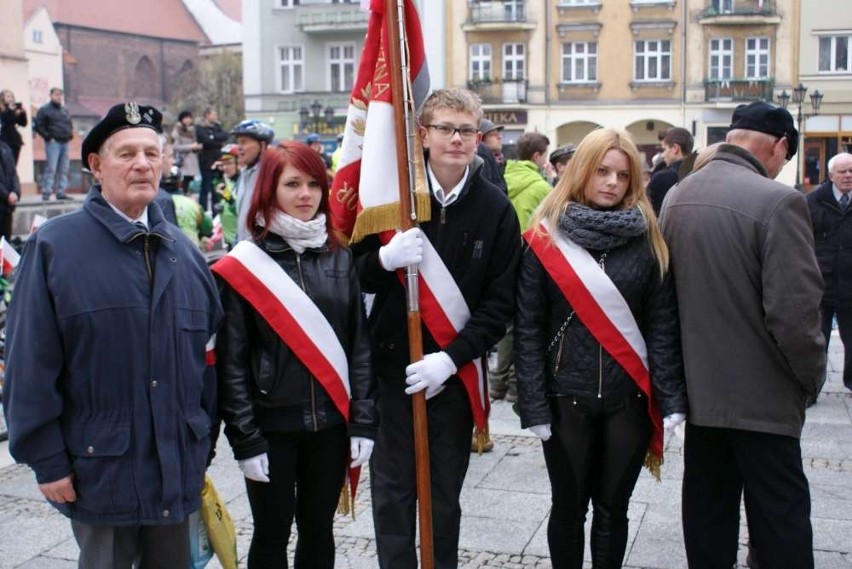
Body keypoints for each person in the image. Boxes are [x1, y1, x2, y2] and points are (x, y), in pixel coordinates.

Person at [2, 102, 223, 568]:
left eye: (151, 152)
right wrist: (47, 459)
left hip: (175, 468)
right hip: (99, 470)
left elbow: (206, 364)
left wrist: (200, 443)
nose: (142, 163)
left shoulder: (185, 253)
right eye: (126, 154)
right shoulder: (55, 247)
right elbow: (29, 362)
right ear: (97, 167)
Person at [352, 87, 521, 568]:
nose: (457, 139)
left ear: (478, 138)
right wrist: (383, 260)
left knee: (444, 500)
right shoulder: (391, 200)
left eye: (467, 130)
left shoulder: (496, 209)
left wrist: (450, 360)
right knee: (391, 498)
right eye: (446, 128)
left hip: (452, 376)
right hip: (390, 373)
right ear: (423, 135)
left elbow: (499, 303)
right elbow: (349, 271)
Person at [660, 101, 825, 569]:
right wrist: (808, 380)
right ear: (778, 147)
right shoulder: (779, 200)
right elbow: (795, 314)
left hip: (702, 392)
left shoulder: (678, 195)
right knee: (780, 519)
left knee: (708, 513)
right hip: (764, 397)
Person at [515, 128, 686, 569]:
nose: (612, 182)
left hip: (627, 399)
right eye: (602, 171)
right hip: (564, 398)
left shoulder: (650, 241)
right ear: (581, 172)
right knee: (569, 509)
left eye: (623, 175)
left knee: (613, 511)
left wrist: (671, 400)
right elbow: (528, 329)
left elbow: (662, 326)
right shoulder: (544, 240)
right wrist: (533, 406)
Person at [213, 140, 377, 568]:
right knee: (270, 534)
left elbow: (358, 346)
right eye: (292, 184)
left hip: (329, 426)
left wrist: (362, 420)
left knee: (319, 530)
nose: (306, 194)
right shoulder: (244, 266)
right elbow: (231, 364)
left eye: (313, 184)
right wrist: (245, 439)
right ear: (269, 189)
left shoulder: (339, 255)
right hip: (271, 426)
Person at [489, 131, 553, 404]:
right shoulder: (541, 187)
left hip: (501, 258)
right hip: (529, 259)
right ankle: (516, 385)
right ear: (537, 156)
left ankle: (497, 382)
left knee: (506, 323)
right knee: (526, 323)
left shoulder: (504, 175)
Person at [807, 152, 852, 396]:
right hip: (821, 283)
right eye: (843, 171)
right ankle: (813, 387)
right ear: (831, 175)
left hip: (850, 284)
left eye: (851, 171)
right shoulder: (813, 201)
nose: (847, 176)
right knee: (817, 340)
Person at [231, 119, 274, 243]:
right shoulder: (244, 174)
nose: (239, 147)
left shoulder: (270, 175)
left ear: (262, 146)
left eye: (244, 142)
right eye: (237, 142)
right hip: (243, 251)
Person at [35, 87, 74, 201]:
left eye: (60, 95)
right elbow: (38, 125)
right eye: (56, 94)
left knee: (64, 168)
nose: (59, 97)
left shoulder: (64, 110)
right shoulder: (44, 110)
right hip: (53, 142)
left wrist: (70, 134)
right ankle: (46, 192)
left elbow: (69, 123)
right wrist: (48, 137)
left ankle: (61, 192)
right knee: (51, 168)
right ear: (51, 95)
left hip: (65, 142)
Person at [646, 127, 694, 215]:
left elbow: (653, 215)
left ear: (675, 148)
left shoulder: (663, 177)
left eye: (664, 149)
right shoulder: (702, 171)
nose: (663, 155)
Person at [196, 107, 229, 213]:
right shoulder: (200, 127)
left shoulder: (217, 126)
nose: (216, 117)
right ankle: (202, 211)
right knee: (205, 187)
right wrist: (215, 140)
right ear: (207, 115)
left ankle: (217, 210)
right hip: (206, 161)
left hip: (218, 160)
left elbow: (224, 135)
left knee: (217, 186)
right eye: (214, 115)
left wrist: (212, 137)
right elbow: (205, 140)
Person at [171, 110, 202, 195]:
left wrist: (197, 147)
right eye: (186, 118)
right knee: (183, 186)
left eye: (189, 118)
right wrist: (191, 147)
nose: (188, 120)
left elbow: (194, 143)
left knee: (190, 186)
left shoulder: (192, 130)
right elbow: (175, 147)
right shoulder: (177, 131)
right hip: (183, 162)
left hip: (192, 162)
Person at [477, 118, 508, 194]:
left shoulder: (500, 163)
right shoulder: (482, 160)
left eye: (498, 133)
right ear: (480, 138)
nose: (499, 137)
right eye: (493, 134)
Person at [0, 89, 28, 165]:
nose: (11, 99)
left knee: (13, 164)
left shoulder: (14, 109)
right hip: (4, 140)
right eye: (8, 96)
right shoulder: (2, 110)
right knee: (5, 164)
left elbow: (23, 123)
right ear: (2, 98)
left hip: (15, 140)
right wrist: (9, 110)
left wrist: (23, 114)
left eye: (12, 96)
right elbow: (5, 121)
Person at [0, 139, 20, 240]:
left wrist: (15, 192)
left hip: (7, 207)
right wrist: (6, 195)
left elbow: (13, 174)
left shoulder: (6, 148)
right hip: (3, 198)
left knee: (6, 242)